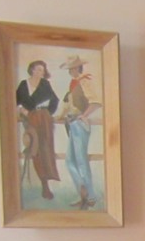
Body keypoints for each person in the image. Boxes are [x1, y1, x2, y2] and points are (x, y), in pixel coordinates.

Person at [57, 55, 101, 209]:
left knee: (81, 161)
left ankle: (91, 196)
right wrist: (61, 117)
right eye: (69, 69)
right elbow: (69, 104)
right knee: (70, 161)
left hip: (79, 124)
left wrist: (84, 115)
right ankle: (83, 191)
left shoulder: (85, 82)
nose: (70, 72)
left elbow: (96, 102)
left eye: (72, 69)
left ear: (77, 68)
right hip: (72, 123)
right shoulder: (74, 84)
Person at [15, 60, 60, 200]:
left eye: (42, 70)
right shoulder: (24, 84)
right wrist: (21, 110)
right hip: (29, 121)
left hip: (42, 120)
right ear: (32, 70)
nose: (40, 72)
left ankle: (45, 185)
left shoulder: (45, 84)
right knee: (35, 149)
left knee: (45, 149)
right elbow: (13, 101)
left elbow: (55, 100)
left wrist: (47, 113)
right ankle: (43, 183)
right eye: (38, 69)